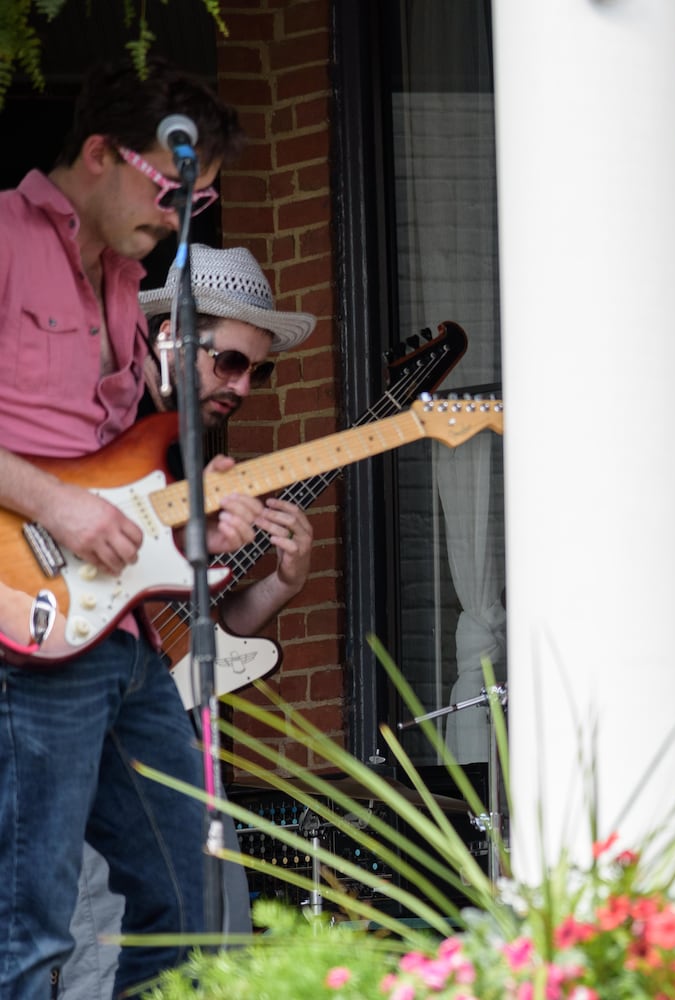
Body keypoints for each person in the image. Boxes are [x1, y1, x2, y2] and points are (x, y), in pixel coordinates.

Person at [0, 61, 255, 997]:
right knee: (25, 929)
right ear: (101, 154)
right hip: (24, 625)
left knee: (188, 906)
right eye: (171, 188)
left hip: (120, 634)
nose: (185, 215)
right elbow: (69, 490)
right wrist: (54, 504)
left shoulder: (126, 282)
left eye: (205, 196)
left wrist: (190, 514)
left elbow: (115, 466)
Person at [60, 245, 317, 1000]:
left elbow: (189, 623)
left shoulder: (192, 455)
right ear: (170, 338)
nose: (243, 387)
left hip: (164, 713)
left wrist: (280, 582)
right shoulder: (98, 425)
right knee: (99, 939)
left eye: (258, 372)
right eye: (232, 362)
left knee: (204, 933)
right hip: (78, 713)